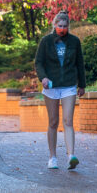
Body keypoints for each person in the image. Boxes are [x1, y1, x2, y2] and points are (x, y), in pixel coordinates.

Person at [35, 11, 86, 170]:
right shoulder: (46, 41)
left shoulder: (74, 41)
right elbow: (39, 63)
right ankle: (52, 157)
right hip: (51, 86)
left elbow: (80, 64)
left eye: (65, 26)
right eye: (60, 26)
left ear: (68, 26)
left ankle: (71, 156)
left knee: (68, 121)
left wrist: (82, 85)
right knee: (53, 122)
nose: (62, 29)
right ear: (54, 25)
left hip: (69, 86)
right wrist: (42, 77)